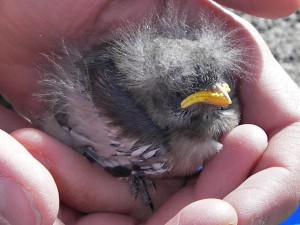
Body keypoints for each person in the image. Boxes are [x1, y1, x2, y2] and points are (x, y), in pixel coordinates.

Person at [0, 0, 300, 224]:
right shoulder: (139, 131)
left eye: (222, 90)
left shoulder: (218, 97)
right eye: (197, 98)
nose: (222, 99)